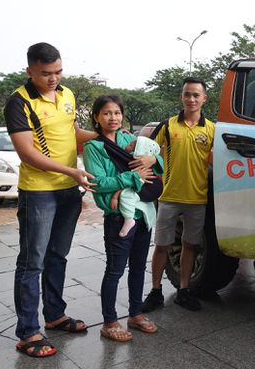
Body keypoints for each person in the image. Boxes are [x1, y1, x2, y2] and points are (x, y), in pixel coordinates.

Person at [4, 42, 97, 358]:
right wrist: (72, 171)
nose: (53, 78)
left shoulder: (67, 94)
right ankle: (28, 332)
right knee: (32, 261)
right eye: (46, 73)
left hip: (69, 190)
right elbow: (27, 153)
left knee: (58, 256)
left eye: (58, 71)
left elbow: (74, 134)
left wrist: (109, 137)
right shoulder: (19, 102)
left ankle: (55, 314)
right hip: (39, 192)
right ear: (30, 71)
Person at [83, 95, 163, 342]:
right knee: (115, 270)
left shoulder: (130, 139)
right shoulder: (93, 148)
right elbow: (98, 182)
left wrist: (153, 159)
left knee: (138, 267)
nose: (113, 118)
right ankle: (109, 321)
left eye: (117, 113)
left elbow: (157, 162)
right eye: (107, 113)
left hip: (142, 213)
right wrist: (132, 178)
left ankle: (135, 314)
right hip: (118, 216)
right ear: (96, 117)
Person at [142, 77, 215, 312]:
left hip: (197, 198)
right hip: (169, 197)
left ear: (204, 98)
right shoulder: (167, 126)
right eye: (187, 94)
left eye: (196, 95)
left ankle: (184, 290)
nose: (191, 99)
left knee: (190, 245)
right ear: (181, 97)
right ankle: (155, 291)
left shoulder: (212, 129)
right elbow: (148, 150)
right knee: (162, 245)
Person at [110, 136, 161, 237]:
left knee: (126, 195)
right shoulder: (141, 164)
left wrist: (115, 196)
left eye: (132, 145)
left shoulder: (138, 165)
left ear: (139, 151)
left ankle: (129, 219)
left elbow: (129, 183)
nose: (128, 145)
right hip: (152, 188)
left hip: (151, 189)